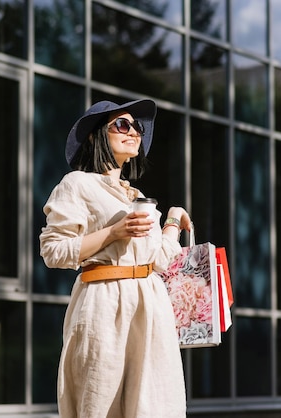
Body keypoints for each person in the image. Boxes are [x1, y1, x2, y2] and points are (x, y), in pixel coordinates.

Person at [39, 98, 192, 417]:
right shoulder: (77, 184)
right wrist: (114, 232)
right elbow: (54, 251)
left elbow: (159, 260)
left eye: (137, 126)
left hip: (150, 310)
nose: (134, 131)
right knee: (101, 404)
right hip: (105, 305)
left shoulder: (135, 196)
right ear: (95, 136)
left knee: (155, 406)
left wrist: (173, 220)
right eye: (122, 125)